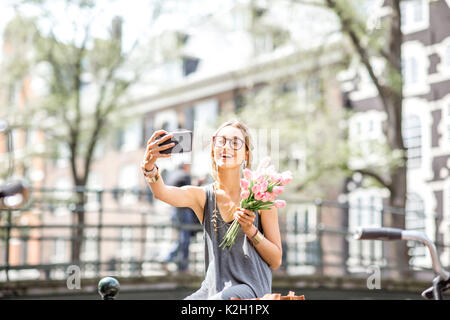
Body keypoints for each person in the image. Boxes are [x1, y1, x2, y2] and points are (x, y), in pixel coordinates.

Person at [141, 119, 282, 300]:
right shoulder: (203, 196)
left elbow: (276, 260)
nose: (226, 146)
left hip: (251, 290)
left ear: (245, 153)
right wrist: (148, 166)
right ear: (213, 150)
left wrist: (251, 230)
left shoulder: (261, 196)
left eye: (235, 142)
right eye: (221, 141)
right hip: (212, 289)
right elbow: (162, 192)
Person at [164, 162, 198, 272]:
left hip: (174, 209)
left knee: (182, 237)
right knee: (185, 238)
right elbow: (189, 192)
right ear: (185, 166)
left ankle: (168, 259)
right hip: (183, 209)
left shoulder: (172, 175)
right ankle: (182, 266)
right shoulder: (184, 175)